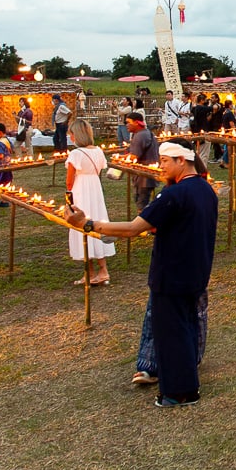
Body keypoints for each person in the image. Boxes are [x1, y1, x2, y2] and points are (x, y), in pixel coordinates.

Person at [65, 142, 217, 406]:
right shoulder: (206, 189)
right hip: (196, 270)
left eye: (165, 161)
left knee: (172, 333)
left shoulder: (173, 195)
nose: (160, 166)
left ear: (182, 160)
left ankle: (180, 392)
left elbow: (133, 229)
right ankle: (186, 384)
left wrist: (87, 224)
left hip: (172, 274)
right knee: (187, 327)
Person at [64, 119, 113, 286]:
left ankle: (91, 272)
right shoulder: (98, 151)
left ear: (76, 135)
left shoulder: (75, 154)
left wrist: (68, 199)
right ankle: (102, 269)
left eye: (71, 134)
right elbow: (100, 168)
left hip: (81, 190)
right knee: (97, 223)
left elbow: (69, 181)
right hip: (95, 189)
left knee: (82, 225)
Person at [124, 111, 161, 212]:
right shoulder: (146, 133)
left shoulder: (140, 136)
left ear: (136, 123)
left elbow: (134, 156)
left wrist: (121, 158)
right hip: (148, 174)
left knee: (142, 205)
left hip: (143, 176)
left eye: (128, 122)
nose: (126, 125)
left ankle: (143, 226)